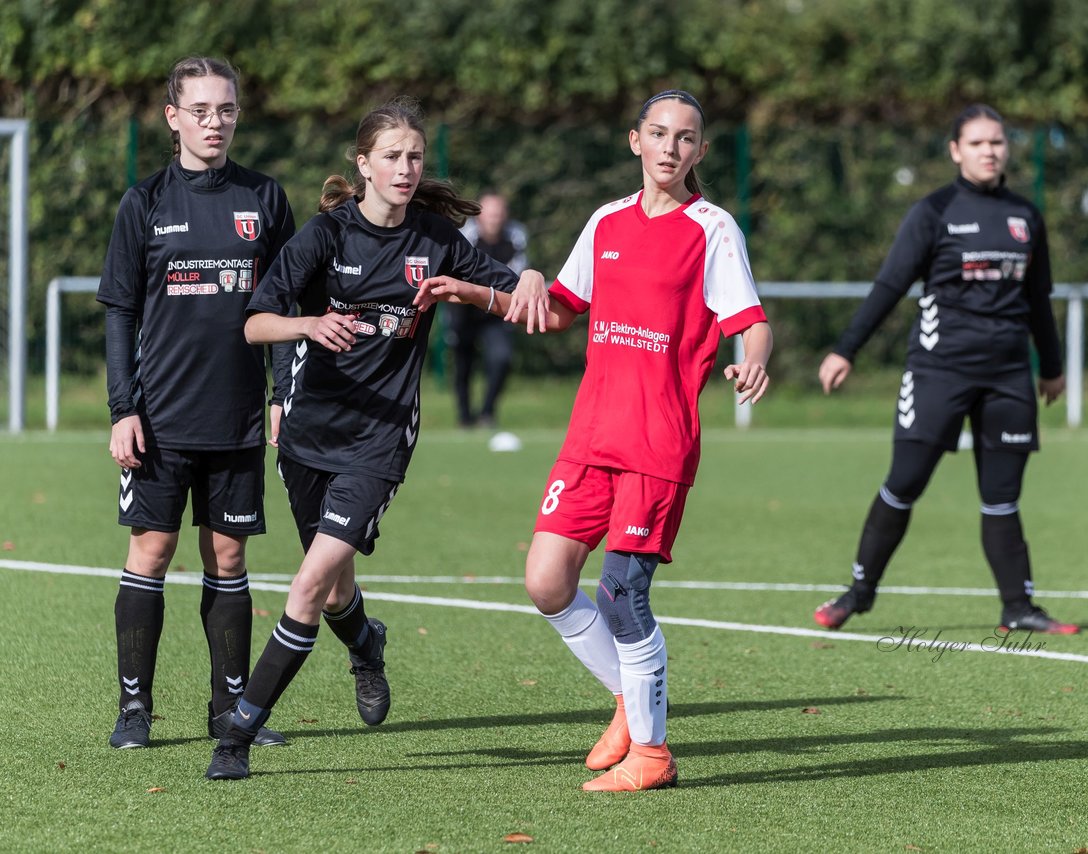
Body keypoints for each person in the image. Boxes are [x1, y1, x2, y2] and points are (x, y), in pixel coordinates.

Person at [426, 89, 772, 791]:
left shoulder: (712, 228)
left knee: (621, 593)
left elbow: (749, 318)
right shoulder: (606, 220)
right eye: (658, 134)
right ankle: (628, 701)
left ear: (699, 152)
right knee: (547, 581)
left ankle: (652, 753)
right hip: (591, 435)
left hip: (656, 441)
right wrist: (480, 293)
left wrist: (756, 356)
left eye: (685, 138)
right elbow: (556, 311)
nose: (671, 148)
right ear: (634, 142)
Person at [205, 98, 548, 781]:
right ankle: (365, 644)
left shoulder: (438, 240)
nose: (404, 167)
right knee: (332, 593)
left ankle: (236, 737)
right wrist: (307, 327)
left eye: (414, 156)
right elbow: (254, 323)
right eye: (390, 156)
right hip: (307, 433)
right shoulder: (326, 237)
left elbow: (516, 294)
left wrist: (527, 278)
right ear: (363, 164)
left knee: (305, 586)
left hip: (380, 441)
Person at [812, 104, 1078, 637]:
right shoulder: (933, 212)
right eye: (977, 143)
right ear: (956, 151)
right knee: (904, 483)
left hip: (1008, 378)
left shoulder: (1025, 217)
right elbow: (890, 287)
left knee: (1002, 496)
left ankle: (1018, 607)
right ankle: (858, 594)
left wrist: (1050, 367)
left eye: (997, 142)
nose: (989, 152)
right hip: (938, 373)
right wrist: (846, 349)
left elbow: (1038, 298)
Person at [97, 56, 295, 751]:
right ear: (173, 117)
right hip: (159, 419)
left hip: (237, 415)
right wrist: (124, 408)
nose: (216, 123)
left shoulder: (265, 199)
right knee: (150, 551)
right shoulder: (144, 203)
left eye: (228, 110)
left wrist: (283, 394)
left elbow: (284, 307)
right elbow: (120, 312)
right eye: (202, 111)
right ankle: (133, 711)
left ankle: (230, 711)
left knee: (229, 557)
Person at [450, 190, 529, 427]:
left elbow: (517, 276)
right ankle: (464, 418)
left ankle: (487, 413)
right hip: (464, 311)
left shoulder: (516, 236)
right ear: (479, 216)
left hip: (498, 309)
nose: (494, 219)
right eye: (489, 214)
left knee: (501, 358)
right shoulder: (466, 236)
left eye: (499, 214)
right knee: (463, 364)